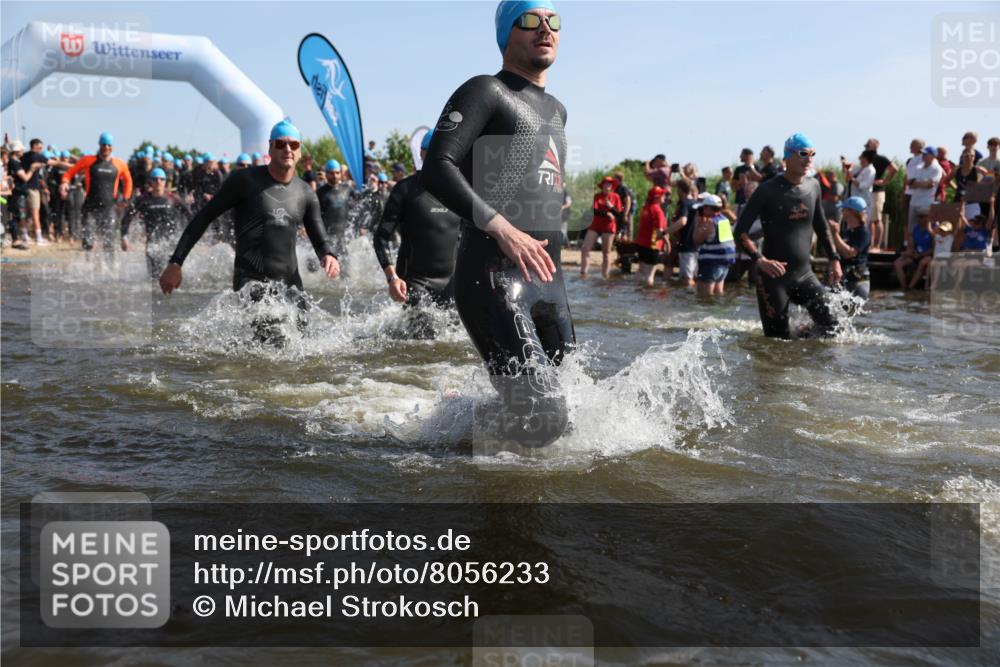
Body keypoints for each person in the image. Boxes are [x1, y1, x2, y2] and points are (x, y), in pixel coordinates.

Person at [422, 0, 573, 448]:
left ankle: (471, 422)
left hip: (551, 283)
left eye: (553, 21)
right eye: (529, 20)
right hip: (493, 276)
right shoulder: (486, 91)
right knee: (544, 417)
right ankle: (456, 429)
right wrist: (500, 227)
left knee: (568, 415)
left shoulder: (559, 111)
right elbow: (437, 166)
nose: (544, 28)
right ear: (506, 34)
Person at [159, 120, 341, 338]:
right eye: (281, 144)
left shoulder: (305, 192)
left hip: (291, 285)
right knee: (275, 340)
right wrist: (176, 262)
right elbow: (204, 217)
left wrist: (329, 255)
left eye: (293, 145)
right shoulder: (245, 181)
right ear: (270, 147)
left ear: (300, 151)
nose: (287, 150)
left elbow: (319, 237)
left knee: (302, 348)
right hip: (251, 281)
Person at [734, 133, 843, 339]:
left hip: (805, 274)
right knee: (777, 342)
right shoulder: (767, 190)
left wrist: (834, 259)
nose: (808, 159)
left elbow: (821, 225)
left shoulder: (813, 186)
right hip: (773, 279)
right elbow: (740, 231)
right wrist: (760, 261)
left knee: (833, 328)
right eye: (803, 153)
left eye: (812, 154)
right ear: (787, 157)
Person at [373, 133, 462, 338]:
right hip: (415, 282)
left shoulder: (458, 192)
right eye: (432, 152)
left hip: (451, 284)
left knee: (452, 344)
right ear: (422, 154)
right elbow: (381, 238)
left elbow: (470, 237)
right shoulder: (405, 190)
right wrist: (392, 278)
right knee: (422, 343)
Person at [60, 132, 133, 255]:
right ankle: (89, 267)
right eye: (104, 145)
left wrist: (126, 198)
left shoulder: (119, 164)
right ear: (99, 145)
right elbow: (69, 173)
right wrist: (64, 182)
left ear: (112, 147)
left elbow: (128, 181)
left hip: (109, 208)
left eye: (109, 145)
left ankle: (110, 270)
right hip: (90, 207)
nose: (106, 148)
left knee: (109, 243)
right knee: (88, 241)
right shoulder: (88, 160)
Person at [120, 167, 190, 277]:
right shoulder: (142, 200)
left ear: (165, 181)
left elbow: (189, 215)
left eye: (161, 179)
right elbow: (126, 218)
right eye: (155, 179)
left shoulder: (173, 198)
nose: (158, 182)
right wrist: (124, 237)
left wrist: (190, 237)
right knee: (154, 277)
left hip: (171, 243)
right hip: (152, 244)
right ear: (150, 182)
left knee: (170, 276)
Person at [692, 193, 737, 296]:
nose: (701, 210)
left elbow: (696, 240)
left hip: (711, 265)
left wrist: (697, 223)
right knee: (718, 295)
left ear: (708, 208)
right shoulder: (724, 220)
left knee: (704, 297)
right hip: (724, 265)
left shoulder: (710, 223)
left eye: (703, 208)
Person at [827, 196, 871, 299]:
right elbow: (836, 252)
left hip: (858, 281)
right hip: (844, 277)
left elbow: (850, 253)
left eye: (844, 208)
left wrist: (835, 234)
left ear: (852, 211)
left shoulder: (863, 233)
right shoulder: (845, 232)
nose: (841, 211)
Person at [580, 176, 621, 278]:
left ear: (612, 186)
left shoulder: (615, 197)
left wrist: (611, 207)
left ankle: (605, 275)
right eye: (605, 183)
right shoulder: (597, 196)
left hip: (608, 227)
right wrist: (606, 214)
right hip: (595, 225)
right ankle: (583, 273)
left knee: (606, 252)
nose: (607, 185)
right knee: (585, 248)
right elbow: (594, 210)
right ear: (602, 185)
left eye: (609, 184)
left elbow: (619, 214)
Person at [863, 138, 898, 251]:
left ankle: (877, 246)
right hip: (867, 191)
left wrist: (885, 181)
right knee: (868, 219)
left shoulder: (880, 158)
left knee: (877, 219)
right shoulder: (865, 159)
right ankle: (869, 244)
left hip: (878, 191)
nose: (867, 147)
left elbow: (894, 169)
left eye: (869, 145)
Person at [316, 158, 354, 257]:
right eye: (332, 173)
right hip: (328, 238)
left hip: (343, 237)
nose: (335, 176)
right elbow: (314, 215)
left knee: (346, 269)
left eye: (337, 173)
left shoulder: (347, 189)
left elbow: (359, 205)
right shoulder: (320, 192)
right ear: (326, 174)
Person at [665, 179, 698, 287]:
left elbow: (683, 221)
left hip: (687, 245)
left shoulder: (685, 203)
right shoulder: (695, 203)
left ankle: (688, 301)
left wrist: (665, 232)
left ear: (680, 189)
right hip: (696, 245)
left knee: (687, 279)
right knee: (692, 276)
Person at [635, 186, 669, 287]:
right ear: (656, 197)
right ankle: (648, 298)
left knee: (641, 270)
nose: (664, 197)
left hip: (641, 244)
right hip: (652, 245)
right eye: (662, 195)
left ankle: (637, 290)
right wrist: (667, 242)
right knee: (650, 274)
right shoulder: (658, 211)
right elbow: (659, 231)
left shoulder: (645, 208)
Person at [893, 210, 934, 289]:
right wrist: (911, 252)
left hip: (927, 255)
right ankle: (904, 286)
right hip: (915, 253)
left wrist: (921, 255)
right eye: (918, 217)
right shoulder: (916, 228)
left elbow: (934, 248)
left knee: (922, 263)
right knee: (897, 263)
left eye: (921, 217)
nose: (919, 219)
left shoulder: (934, 229)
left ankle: (911, 287)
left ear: (928, 217)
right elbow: (911, 244)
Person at [907, 147, 943, 229]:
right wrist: (922, 184)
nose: (923, 155)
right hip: (914, 202)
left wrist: (917, 183)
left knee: (927, 228)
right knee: (912, 229)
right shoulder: (918, 167)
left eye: (925, 154)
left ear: (933, 156)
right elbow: (910, 184)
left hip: (926, 203)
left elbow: (929, 185)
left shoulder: (936, 169)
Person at [613, 172, 634, 240]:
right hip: (620, 211)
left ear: (618, 179)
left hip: (625, 211)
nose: (613, 179)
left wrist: (626, 214)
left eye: (614, 177)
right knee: (621, 229)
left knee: (626, 230)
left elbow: (628, 201)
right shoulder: (618, 187)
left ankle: (628, 247)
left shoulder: (623, 187)